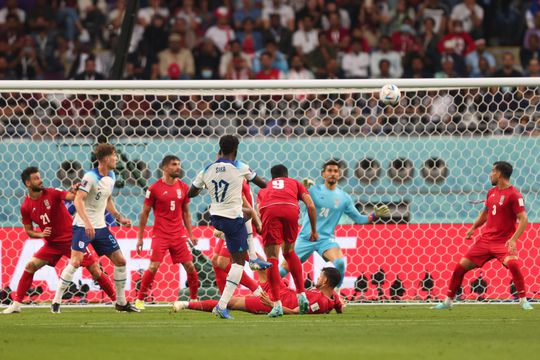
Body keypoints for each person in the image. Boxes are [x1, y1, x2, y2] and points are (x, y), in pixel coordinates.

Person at [2, 167, 116, 314]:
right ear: (28, 183)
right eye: (36, 178)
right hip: (52, 244)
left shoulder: (52, 192)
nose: (40, 180)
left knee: (95, 269)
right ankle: (16, 304)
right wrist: (41, 234)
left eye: (40, 176)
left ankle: (117, 300)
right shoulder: (26, 206)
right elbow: (28, 230)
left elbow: (70, 196)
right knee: (30, 266)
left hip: (71, 239)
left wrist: (75, 190)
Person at [187, 135, 270, 319]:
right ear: (236, 150)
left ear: (220, 149)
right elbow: (262, 184)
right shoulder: (239, 166)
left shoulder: (207, 169)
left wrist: (204, 187)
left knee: (246, 213)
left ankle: (254, 259)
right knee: (238, 264)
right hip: (232, 219)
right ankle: (252, 261)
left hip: (216, 217)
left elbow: (191, 193)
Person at [433, 162, 533, 310]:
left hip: (502, 242)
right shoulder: (491, 192)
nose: (490, 174)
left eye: (492, 171)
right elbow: (485, 213)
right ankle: (447, 302)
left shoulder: (514, 195)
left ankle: (523, 301)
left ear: (499, 174)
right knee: (460, 268)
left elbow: (524, 219)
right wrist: (473, 227)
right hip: (485, 242)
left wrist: (513, 240)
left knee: (513, 264)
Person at [52, 144, 138, 313]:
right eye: (114, 156)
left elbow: (107, 199)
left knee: (120, 261)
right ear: (106, 159)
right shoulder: (90, 177)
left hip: (100, 228)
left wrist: (119, 217)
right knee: (76, 262)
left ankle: (121, 303)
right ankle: (56, 302)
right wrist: (87, 222)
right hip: (82, 227)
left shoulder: (111, 175)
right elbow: (78, 200)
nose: (116, 159)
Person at [280, 160, 390, 288]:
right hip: (306, 238)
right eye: (330, 171)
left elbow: (359, 219)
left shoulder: (344, 198)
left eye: (336, 171)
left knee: (340, 263)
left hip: (326, 239)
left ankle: (335, 295)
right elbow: (295, 200)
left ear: (339, 175)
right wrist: (302, 190)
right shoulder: (313, 190)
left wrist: (374, 215)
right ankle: (268, 291)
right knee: (283, 269)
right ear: (323, 174)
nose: (333, 173)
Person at [135, 155, 199, 310]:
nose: (178, 167)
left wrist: (190, 233)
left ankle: (194, 300)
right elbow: (145, 213)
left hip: (178, 235)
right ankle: (139, 300)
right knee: (153, 267)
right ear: (164, 168)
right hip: (160, 235)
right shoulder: (154, 189)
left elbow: (185, 212)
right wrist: (140, 238)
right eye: (174, 164)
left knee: (190, 267)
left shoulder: (183, 188)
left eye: (179, 164)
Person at [257, 164, 318, 317]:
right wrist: (314, 230)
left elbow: (259, 209)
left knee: (272, 259)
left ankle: (277, 305)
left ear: (272, 177)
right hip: (291, 208)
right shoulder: (295, 183)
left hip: (270, 209)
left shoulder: (266, 188)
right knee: (289, 252)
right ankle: (302, 295)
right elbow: (310, 205)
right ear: (287, 175)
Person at [173, 267, 344, 315]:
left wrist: (272, 305)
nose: (318, 279)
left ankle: (186, 304)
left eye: (321, 277)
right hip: (281, 290)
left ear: (326, 281)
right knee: (262, 265)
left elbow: (293, 311)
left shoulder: (320, 302)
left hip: (272, 301)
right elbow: (337, 305)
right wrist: (340, 306)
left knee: (230, 302)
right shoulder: (331, 297)